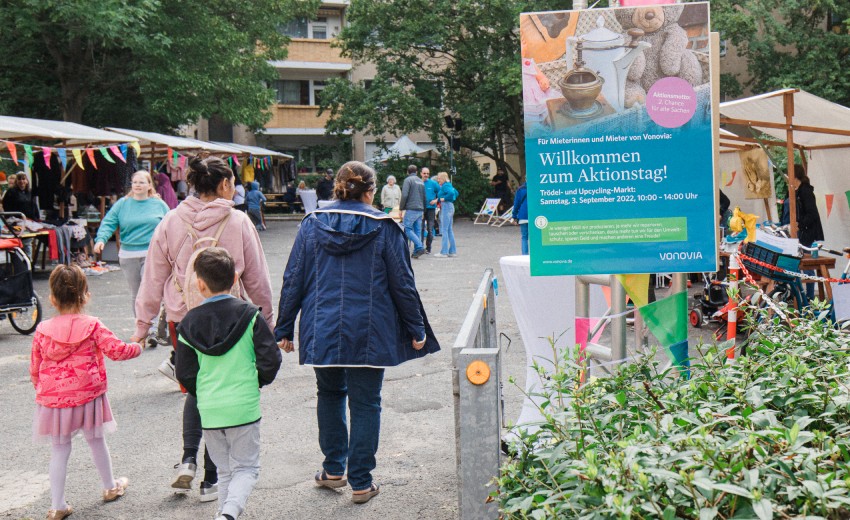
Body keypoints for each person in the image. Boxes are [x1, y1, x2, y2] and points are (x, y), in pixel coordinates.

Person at [275, 161, 440, 504]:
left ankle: (334, 469)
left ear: (336, 187)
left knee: (330, 394)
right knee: (366, 403)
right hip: (370, 329)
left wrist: (284, 327)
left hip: (322, 324)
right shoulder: (385, 227)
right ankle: (361, 482)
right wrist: (416, 327)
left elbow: (294, 277)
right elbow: (403, 284)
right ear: (371, 191)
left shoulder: (312, 224)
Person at [132, 155, 274, 503]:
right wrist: (268, 322)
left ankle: (188, 458)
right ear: (225, 185)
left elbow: (153, 276)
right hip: (233, 320)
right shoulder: (238, 221)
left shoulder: (169, 221)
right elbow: (256, 277)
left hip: (183, 320)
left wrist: (142, 325)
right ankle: (212, 479)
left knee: (196, 388)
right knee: (220, 389)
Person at [175, 248, 281, 520]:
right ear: (235, 279)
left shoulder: (188, 324)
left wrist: (204, 393)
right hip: (243, 406)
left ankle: (223, 513)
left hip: (209, 409)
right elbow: (270, 359)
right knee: (247, 469)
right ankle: (229, 513)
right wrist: (254, 382)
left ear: (199, 284)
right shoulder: (250, 315)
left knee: (224, 471)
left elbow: (185, 373)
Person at [31, 264, 143, 520]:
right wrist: (137, 346)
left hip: (55, 400)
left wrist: (44, 390)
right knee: (96, 440)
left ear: (52, 298)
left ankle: (57, 505)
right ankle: (110, 486)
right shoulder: (92, 325)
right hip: (88, 396)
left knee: (60, 449)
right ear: (86, 295)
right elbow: (117, 350)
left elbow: (35, 367)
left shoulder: (42, 330)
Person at [93, 170, 170, 349]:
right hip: (128, 255)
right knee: (136, 293)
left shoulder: (159, 204)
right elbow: (109, 222)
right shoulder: (123, 204)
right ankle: (142, 326)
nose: (137, 185)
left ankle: (149, 329)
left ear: (150, 185)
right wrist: (101, 240)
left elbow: (170, 225)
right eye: (135, 182)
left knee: (148, 291)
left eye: (142, 182)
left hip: (151, 253)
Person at [789, 164, 824, 300]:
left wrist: (800, 224)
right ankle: (800, 295)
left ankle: (809, 296)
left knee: (807, 264)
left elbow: (812, 213)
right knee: (800, 264)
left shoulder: (805, 191)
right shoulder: (797, 190)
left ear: (795, 176)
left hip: (807, 233)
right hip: (802, 232)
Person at [1, 172, 39, 258]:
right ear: (16, 181)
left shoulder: (29, 192)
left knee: (28, 242)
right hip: (15, 220)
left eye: (23, 179)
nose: (21, 181)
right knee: (21, 242)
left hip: (28, 220)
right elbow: (6, 206)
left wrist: (36, 218)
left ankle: (28, 261)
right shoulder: (11, 192)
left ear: (27, 181)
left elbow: (34, 205)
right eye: (19, 179)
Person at [400, 164, 427, 258]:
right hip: (420, 209)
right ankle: (416, 252)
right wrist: (424, 210)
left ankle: (419, 247)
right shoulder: (421, 181)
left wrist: (401, 208)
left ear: (408, 172)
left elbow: (404, 195)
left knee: (407, 228)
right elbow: (424, 197)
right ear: (416, 172)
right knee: (417, 231)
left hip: (411, 208)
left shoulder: (408, 180)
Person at [433, 171, 458, 258]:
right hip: (450, 206)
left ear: (443, 178)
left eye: (439, 178)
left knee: (444, 229)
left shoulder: (445, 186)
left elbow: (451, 193)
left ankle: (444, 252)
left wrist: (444, 199)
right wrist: (449, 199)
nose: (438, 180)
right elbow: (456, 193)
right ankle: (452, 251)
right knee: (449, 229)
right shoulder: (449, 184)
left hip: (446, 207)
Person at [421, 167, 440, 254]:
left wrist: (436, 200)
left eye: (427, 173)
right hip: (420, 209)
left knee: (430, 229)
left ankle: (428, 248)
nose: (426, 175)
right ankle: (420, 247)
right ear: (421, 173)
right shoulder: (418, 183)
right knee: (420, 228)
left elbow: (441, 193)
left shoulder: (433, 183)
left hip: (431, 209)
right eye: (424, 173)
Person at [512, 180, 529, 255]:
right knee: (535, 237)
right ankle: (536, 255)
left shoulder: (520, 189)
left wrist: (514, 216)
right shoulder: (537, 187)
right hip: (535, 216)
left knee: (524, 237)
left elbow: (516, 204)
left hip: (523, 215)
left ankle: (524, 255)